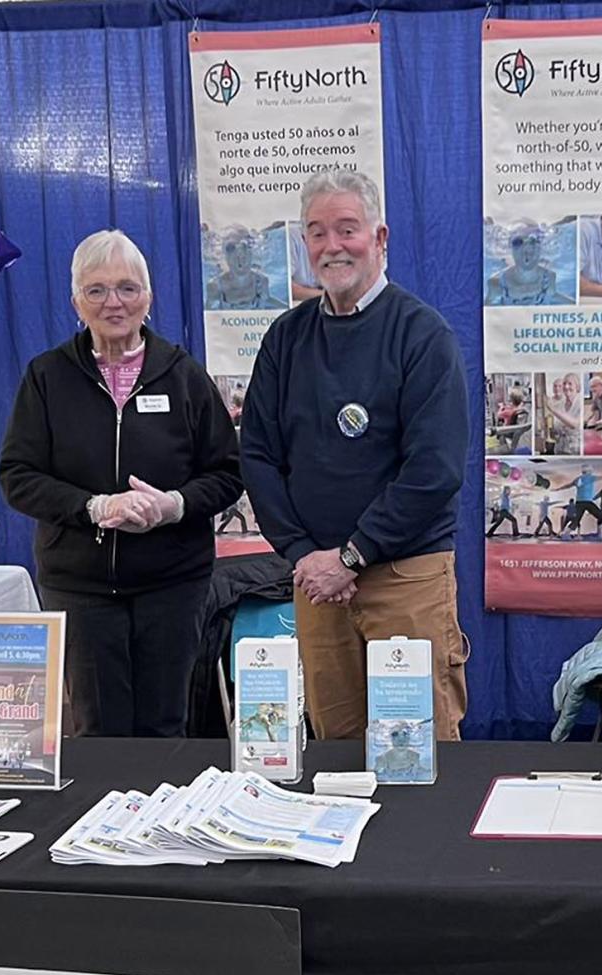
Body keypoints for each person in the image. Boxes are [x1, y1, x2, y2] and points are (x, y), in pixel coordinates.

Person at [240, 169, 469, 742]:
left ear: (381, 238)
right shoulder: (285, 340)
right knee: (335, 750)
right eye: (316, 233)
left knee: (420, 752)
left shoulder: (422, 336)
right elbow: (259, 456)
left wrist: (353, 554)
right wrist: (305, 556)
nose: (331, 246)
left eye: (347, 229)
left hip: (403, 577)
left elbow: (434, 471)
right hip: (316, 581)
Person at [0, 230, 243, 737]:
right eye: (98, 290)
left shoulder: (184, 376)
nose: (114, 302)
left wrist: (173, 506)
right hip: (81, 588)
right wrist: (93, 507)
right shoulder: (46, 378)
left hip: (173, 585)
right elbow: (17, 476)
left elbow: (227, 473)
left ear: (148, 299)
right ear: (76, 302)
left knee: (165, 729)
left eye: (128, 288)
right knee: (99, 733)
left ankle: (163, 819)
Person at [484, 224, 571, 306]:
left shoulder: (549, 281)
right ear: (511, 249)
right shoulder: (497, 284)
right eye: (518, 242)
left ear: (541, 247)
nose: (527, 248)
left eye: (533, 241)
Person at [205, 224, 286, 310]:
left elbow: (270, 303)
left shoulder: (261, 282)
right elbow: (206, 315)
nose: (239, 254)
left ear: (252, 252)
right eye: (231, 248)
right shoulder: (215, 286)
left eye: (245, 246)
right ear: (224, 254)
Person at [548, 372, 581, 455]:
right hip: (560, 448)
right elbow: (555, 427)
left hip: (575, 450)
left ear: (577, 387)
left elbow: (575, 424)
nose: (566, 387)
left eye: (570, 384)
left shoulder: (580, 403)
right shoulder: (559, 404)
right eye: (564, 384)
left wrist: (553, 410)